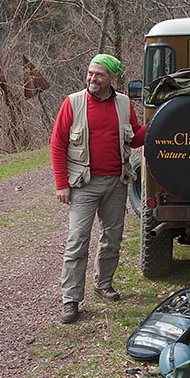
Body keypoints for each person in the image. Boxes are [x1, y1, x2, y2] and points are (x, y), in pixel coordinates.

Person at [51, 54, 147, 324]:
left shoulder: (124, 104)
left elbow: (136, 137)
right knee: (77, 241)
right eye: (91, 73)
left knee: (112, 238)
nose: (92, 78)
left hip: (116, 182)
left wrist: (159, 123)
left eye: (99, 74)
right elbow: (57, 144)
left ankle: (103, 284)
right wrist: (62, 184)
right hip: (83, 184)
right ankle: (70, 300)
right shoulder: (73, 102)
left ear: (112, 78)